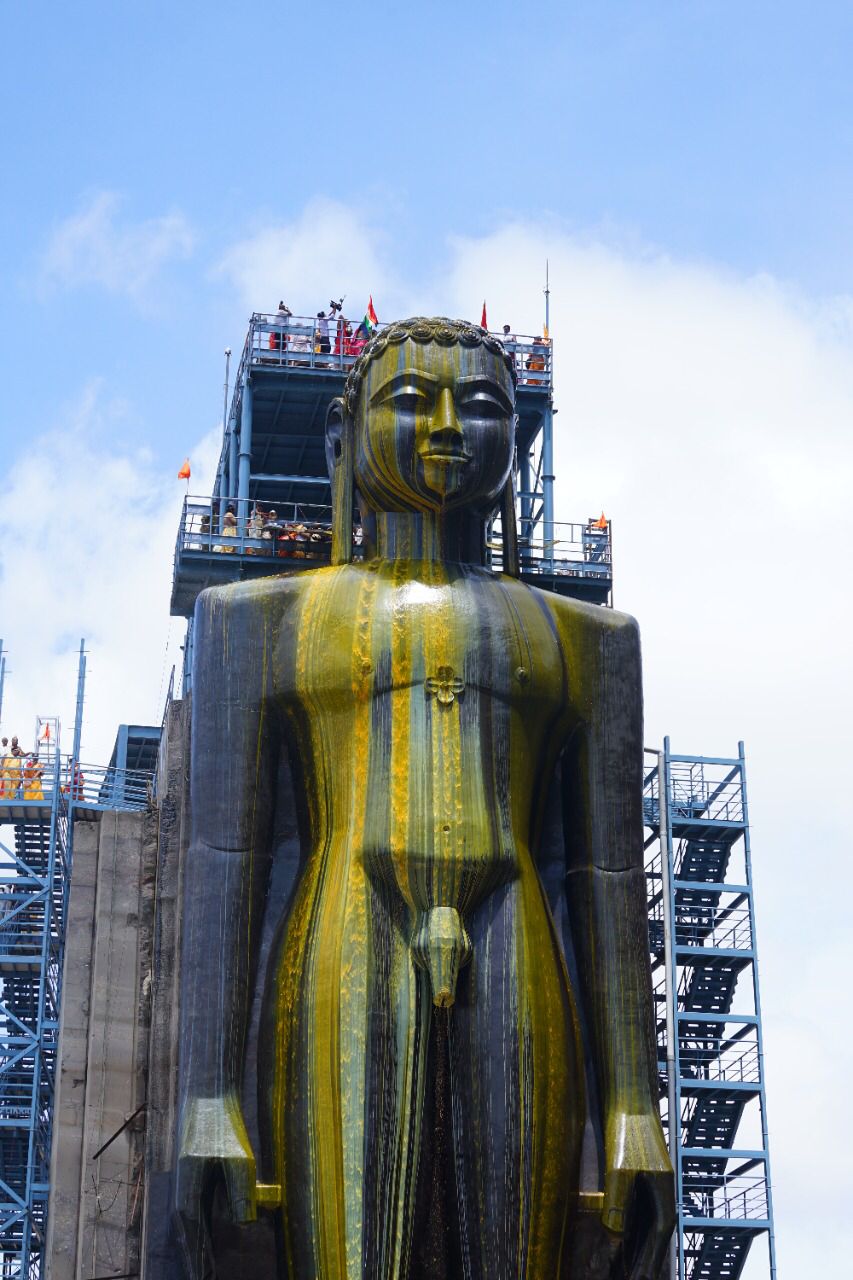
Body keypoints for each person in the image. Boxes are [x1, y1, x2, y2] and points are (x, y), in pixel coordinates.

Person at [175, 317, 673, 1280]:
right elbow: (226, 861)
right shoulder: (259, 620)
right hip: (345, 925)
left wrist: (631, 1107)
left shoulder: (587, 641)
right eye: (411, 401)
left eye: (480, 408)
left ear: (513, 437)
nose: (447, 427)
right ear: (344, 435)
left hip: (514, 929)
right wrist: (208, 1095)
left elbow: (607, 876)